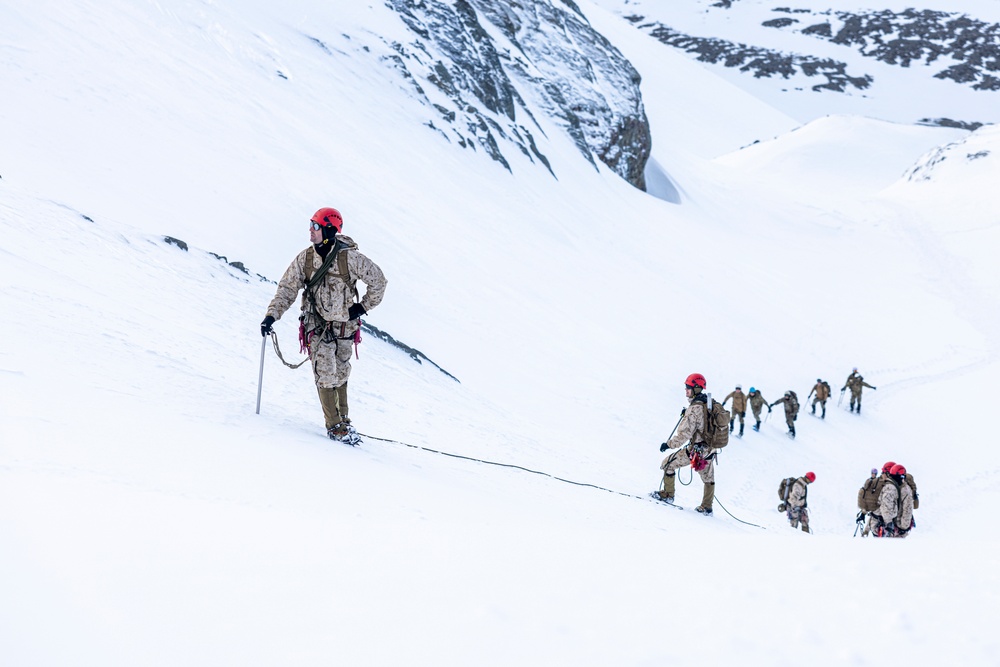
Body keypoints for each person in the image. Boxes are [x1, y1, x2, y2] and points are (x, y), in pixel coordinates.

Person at [260, 207, 387, 442]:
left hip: (344, 328)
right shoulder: (305, 259)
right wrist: (271, 316)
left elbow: (379, 281)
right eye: (311, 224)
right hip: (316, 326)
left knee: (341, 372)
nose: (310, 230)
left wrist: (362, 307)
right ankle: (335, 426)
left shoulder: (350, 258)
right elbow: (287, 289)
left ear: (329, 229)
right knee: (326, 373)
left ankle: (344, 419)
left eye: (315, 226)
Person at [656, 373, 716, 515]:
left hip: (697, 451)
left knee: (668, 464)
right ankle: (707, 507)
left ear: (696, 388)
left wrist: (668, 445)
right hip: (710, 449)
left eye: (688, 387)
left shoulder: (694, 409)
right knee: (708, 478)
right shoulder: (710, 404)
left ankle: (668, 495)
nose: (686, 390)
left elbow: (684, 435)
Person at [869, 461, 899, 537]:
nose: (881, 474)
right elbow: (885, 505)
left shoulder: (889, 487)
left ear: (888, 474)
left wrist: (888, 522)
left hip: (880, 523)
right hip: (882, 523)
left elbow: (886, 505)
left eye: (883, 472)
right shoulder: (889, 486)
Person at [891, 464, 915, 537]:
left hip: (899, 527)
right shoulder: (896, 487)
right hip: (893, 524)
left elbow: (907, 510)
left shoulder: (905, 491)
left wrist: (903, 528)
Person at [857, 467, 879, 536]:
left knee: (872, 519)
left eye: (874, 473)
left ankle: (866, 532)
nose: (873, 474)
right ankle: (866, 532)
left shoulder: (877, 482)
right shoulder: (868, 481)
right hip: (870, 503)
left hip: (874, 504)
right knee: (872, 519)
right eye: (872, 473)